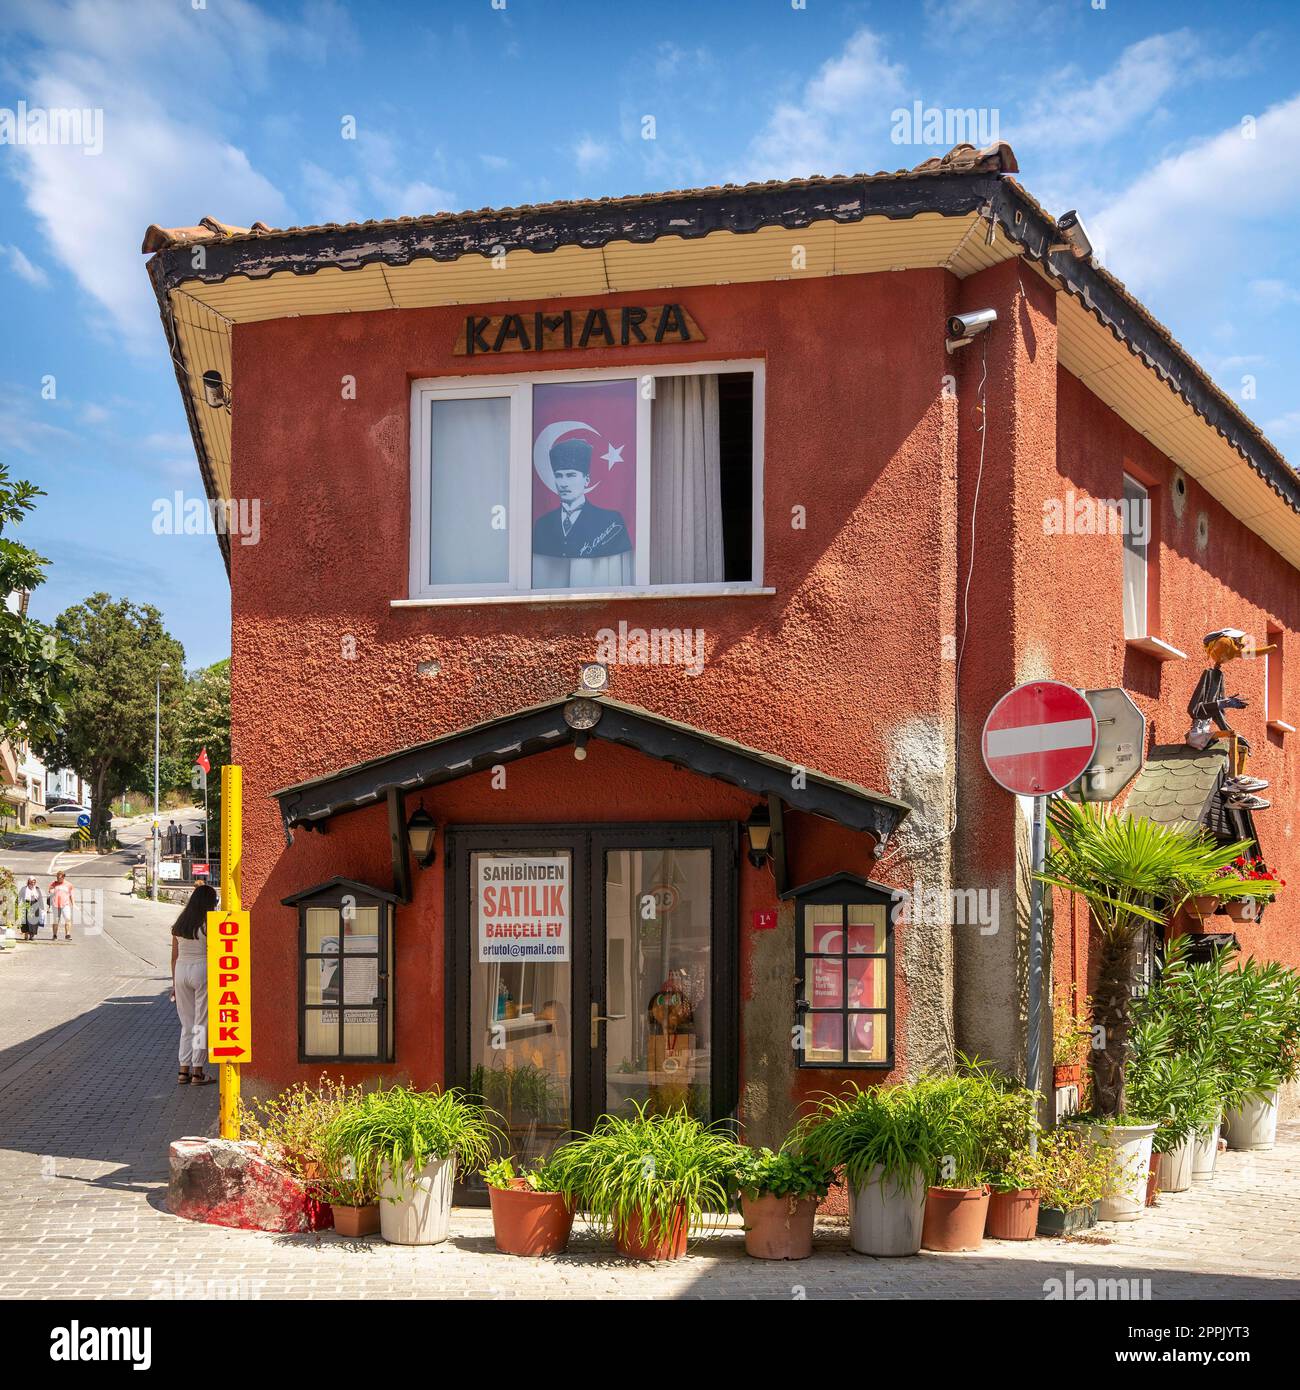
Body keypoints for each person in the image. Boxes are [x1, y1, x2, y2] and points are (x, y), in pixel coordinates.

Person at [531, 437, 632, 563]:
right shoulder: (543, 524)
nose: (564, 483)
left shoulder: (610, 521)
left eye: (571, 475)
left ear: (587, 480)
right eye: (559, 476)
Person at [170, 883, 218, 1086]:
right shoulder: (209, 924)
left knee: (187, 1024)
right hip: (202, 969)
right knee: (201, 1023)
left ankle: (183, 1070)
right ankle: (198, 1072)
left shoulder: (180, 924)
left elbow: (174, 957)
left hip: (181, 970)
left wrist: (174, 983)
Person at [47, 870, 74, 941]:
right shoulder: (53, 884)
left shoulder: (69, 885)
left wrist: (73, 904)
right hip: (56, 905)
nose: (58, 879)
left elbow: (71, 895)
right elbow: (50, 893)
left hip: (65, 904)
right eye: (57, 877)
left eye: (60, 878)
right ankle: (55, 935)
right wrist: (51, 891)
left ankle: (67, 934)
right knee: (56, 920)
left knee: (68, 918)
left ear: (63, 877)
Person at [18, 876, 44, 941]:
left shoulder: (37, 889)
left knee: (34, 921)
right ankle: (26, 934)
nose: (33, 882)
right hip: (26, 905)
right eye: (32, 881)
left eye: (34, 881)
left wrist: (42, 908)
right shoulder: (24, 888)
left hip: (35, 905)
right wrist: (17, 904)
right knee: (26, 921)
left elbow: (40, 898)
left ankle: (32, 935)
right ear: (28, 881)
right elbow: (19, 897)